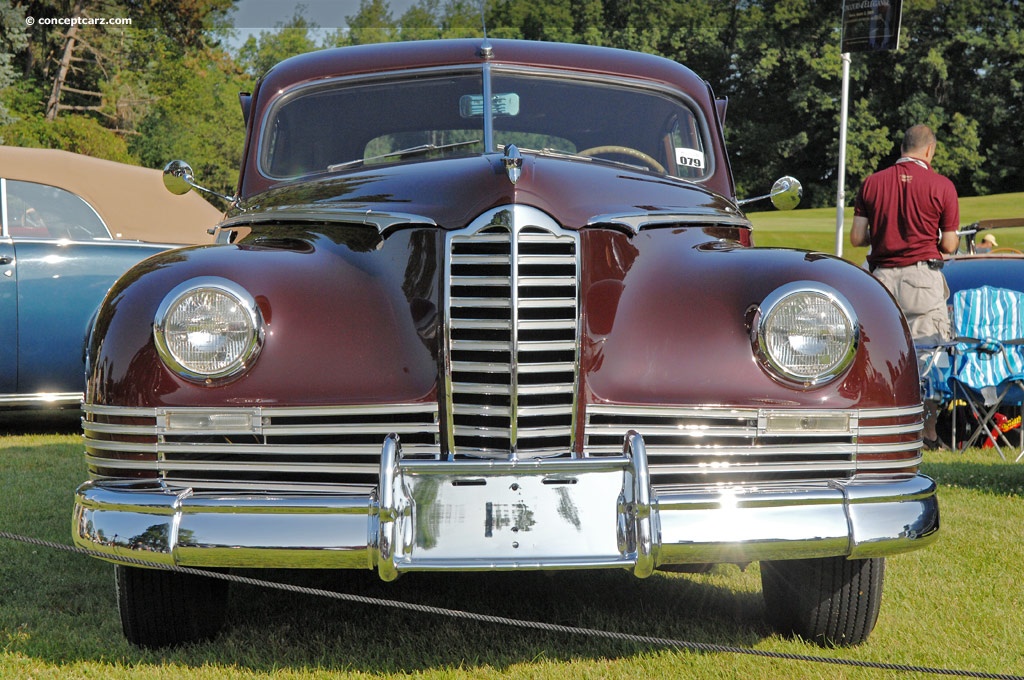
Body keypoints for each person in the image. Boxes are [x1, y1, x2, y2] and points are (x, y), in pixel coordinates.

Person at [850, 124, 960, 450]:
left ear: (902, 148)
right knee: (930, 354)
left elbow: (857, 238)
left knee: (881, 356)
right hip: (923, 281)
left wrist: (883, 232)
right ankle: (926, 433)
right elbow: (951, 244)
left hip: (881, 280)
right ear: (930, 150)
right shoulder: (942, 186)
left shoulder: (871, 183)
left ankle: (882, 427)